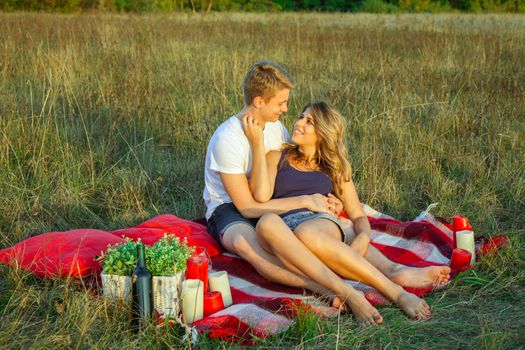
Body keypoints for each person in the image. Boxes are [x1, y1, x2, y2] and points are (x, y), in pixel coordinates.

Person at [246, 102, 451, 325]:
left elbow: (357, 215)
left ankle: (397, 290)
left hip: (315, 223)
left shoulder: (333, 168)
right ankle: (357, 290)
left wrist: (363, 236)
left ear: (323, 133)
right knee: (266, 223)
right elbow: (260, 196)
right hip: (283, 230)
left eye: (309, 122)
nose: (299, 123)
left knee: (309, 233)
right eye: (301, 117)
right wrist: (257, 144)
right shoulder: (277, 156)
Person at [203, 61, 343, 298]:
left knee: (304, 235)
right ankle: (319, 287)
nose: (286, 109)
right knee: (246, 245)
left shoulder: (276, 128)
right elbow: (247, 208)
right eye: (281, 103)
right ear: (259, 102)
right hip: (229, 207)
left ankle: (331, 273)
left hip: (270, 199)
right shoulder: (227, 139)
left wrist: (328, 202)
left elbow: (290, 173)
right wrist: (306, 201)